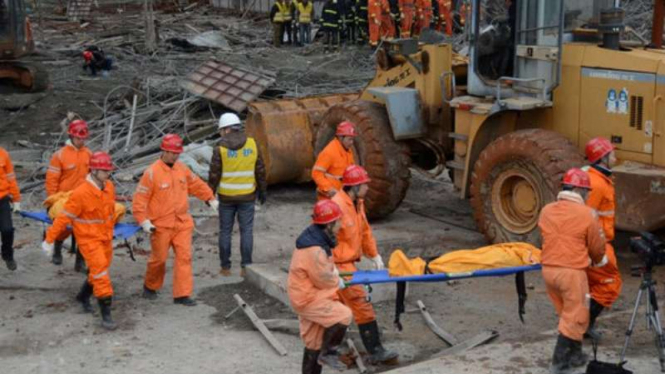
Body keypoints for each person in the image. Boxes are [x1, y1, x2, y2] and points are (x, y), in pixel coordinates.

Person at [133, 134, 216, 306]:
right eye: (171, 152)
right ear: (163, 150)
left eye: (177, 152)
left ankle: (182, 295)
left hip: (182, 223)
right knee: (159, 259)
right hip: (160, 225)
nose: (174, 156)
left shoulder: (182, 169)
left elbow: (196, 184)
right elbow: (140, 199)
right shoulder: (151, 173)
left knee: (184, 258)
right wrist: (144, 221)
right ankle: (150, 286)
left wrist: (210, 198)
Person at [538, 168, 607, 373]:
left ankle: (575, 355)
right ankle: (558, 364)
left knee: (566, 314)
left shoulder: (547, 210)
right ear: (578, 189)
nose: (587, 195)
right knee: (576, 315)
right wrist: (598, 260)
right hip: (571, 272)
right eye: (585, 191)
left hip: (548, 270)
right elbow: (596, 247)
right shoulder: (586, 214)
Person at [42, 152, 117, 329]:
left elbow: (110, 212)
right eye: (105, 171)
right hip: (89, 239)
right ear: (95, 170)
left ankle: (83, 296)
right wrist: (50, 239)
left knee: (101, 269)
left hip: (105, 237)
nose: (108, 174)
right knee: (101, 274)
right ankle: (106, 314)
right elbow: (63, 218)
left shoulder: (109, 187)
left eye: (108, 171)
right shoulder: (81, 193)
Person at [331, 165, 398, 364]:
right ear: (354, 186)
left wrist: (374, 255)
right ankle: (375, 350)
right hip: (340, 265)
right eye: (365, 185)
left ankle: (331, 348)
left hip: (349, 263)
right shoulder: (338, 206)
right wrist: (330, 267)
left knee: (340, 308)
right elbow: (325, 239)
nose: (368, 188)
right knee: (361, 304)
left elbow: (365, 232)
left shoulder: (356, 203)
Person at [288, 199, 352, 373]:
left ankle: (319, 357)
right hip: (308, 297)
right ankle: (329, 353)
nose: (340, 225)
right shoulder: (315, 250)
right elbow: (323, 278)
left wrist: (334, 273)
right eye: (338, 221)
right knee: (343, 315)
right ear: (330, 224)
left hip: (304, 294)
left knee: (313, 342)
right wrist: (336, 280)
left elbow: (322, 269)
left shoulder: (316, 238)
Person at [208, 113, 267, 277]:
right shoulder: (252, 144)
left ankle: (225, 268)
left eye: (221, 130)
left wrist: (209, 194)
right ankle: (245, 266)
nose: (221, 134)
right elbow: (260, 171)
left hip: (226, 197)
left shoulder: (220, 148)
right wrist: (263, 190)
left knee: (225, 232)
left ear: (226, 129)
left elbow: (214, 175)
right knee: (246, 231)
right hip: (247, 196)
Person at [583, 137, 622, 340]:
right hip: (597, 244)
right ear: (603, 158)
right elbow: (585, 217)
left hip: (596, 242)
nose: (615, 157)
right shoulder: (597, 184)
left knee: (592, 285)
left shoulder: (596, 179)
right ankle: (584, 325)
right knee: (609, 283)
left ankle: (582, 324)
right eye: (612, 154)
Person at [45, 119, 92, 269]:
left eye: (83, 138)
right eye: (78, 138)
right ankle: (57, 248)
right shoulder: (60, 155)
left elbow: (93, 178)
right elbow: (52, 180)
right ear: (71, 136)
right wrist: (53, 200)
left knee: (85, 231)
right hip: (63, 198)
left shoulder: (89, 154)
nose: (81, 141)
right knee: (63, 227)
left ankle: (80, 259)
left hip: (83, 199)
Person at [312, 121, 357, 200]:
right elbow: (316, 173)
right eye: (349, 139)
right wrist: (328, 189)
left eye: (352, 139)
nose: (351, 143)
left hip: (341, 194)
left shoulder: (347, 151)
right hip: (329, 197)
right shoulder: (330, 152)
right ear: (340, 138)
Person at [0, 147, 20, 271]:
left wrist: (16, 199)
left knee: (7, 230)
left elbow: (11, 178)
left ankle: (7, 255)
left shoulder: (3, 154)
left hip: (2, 199)